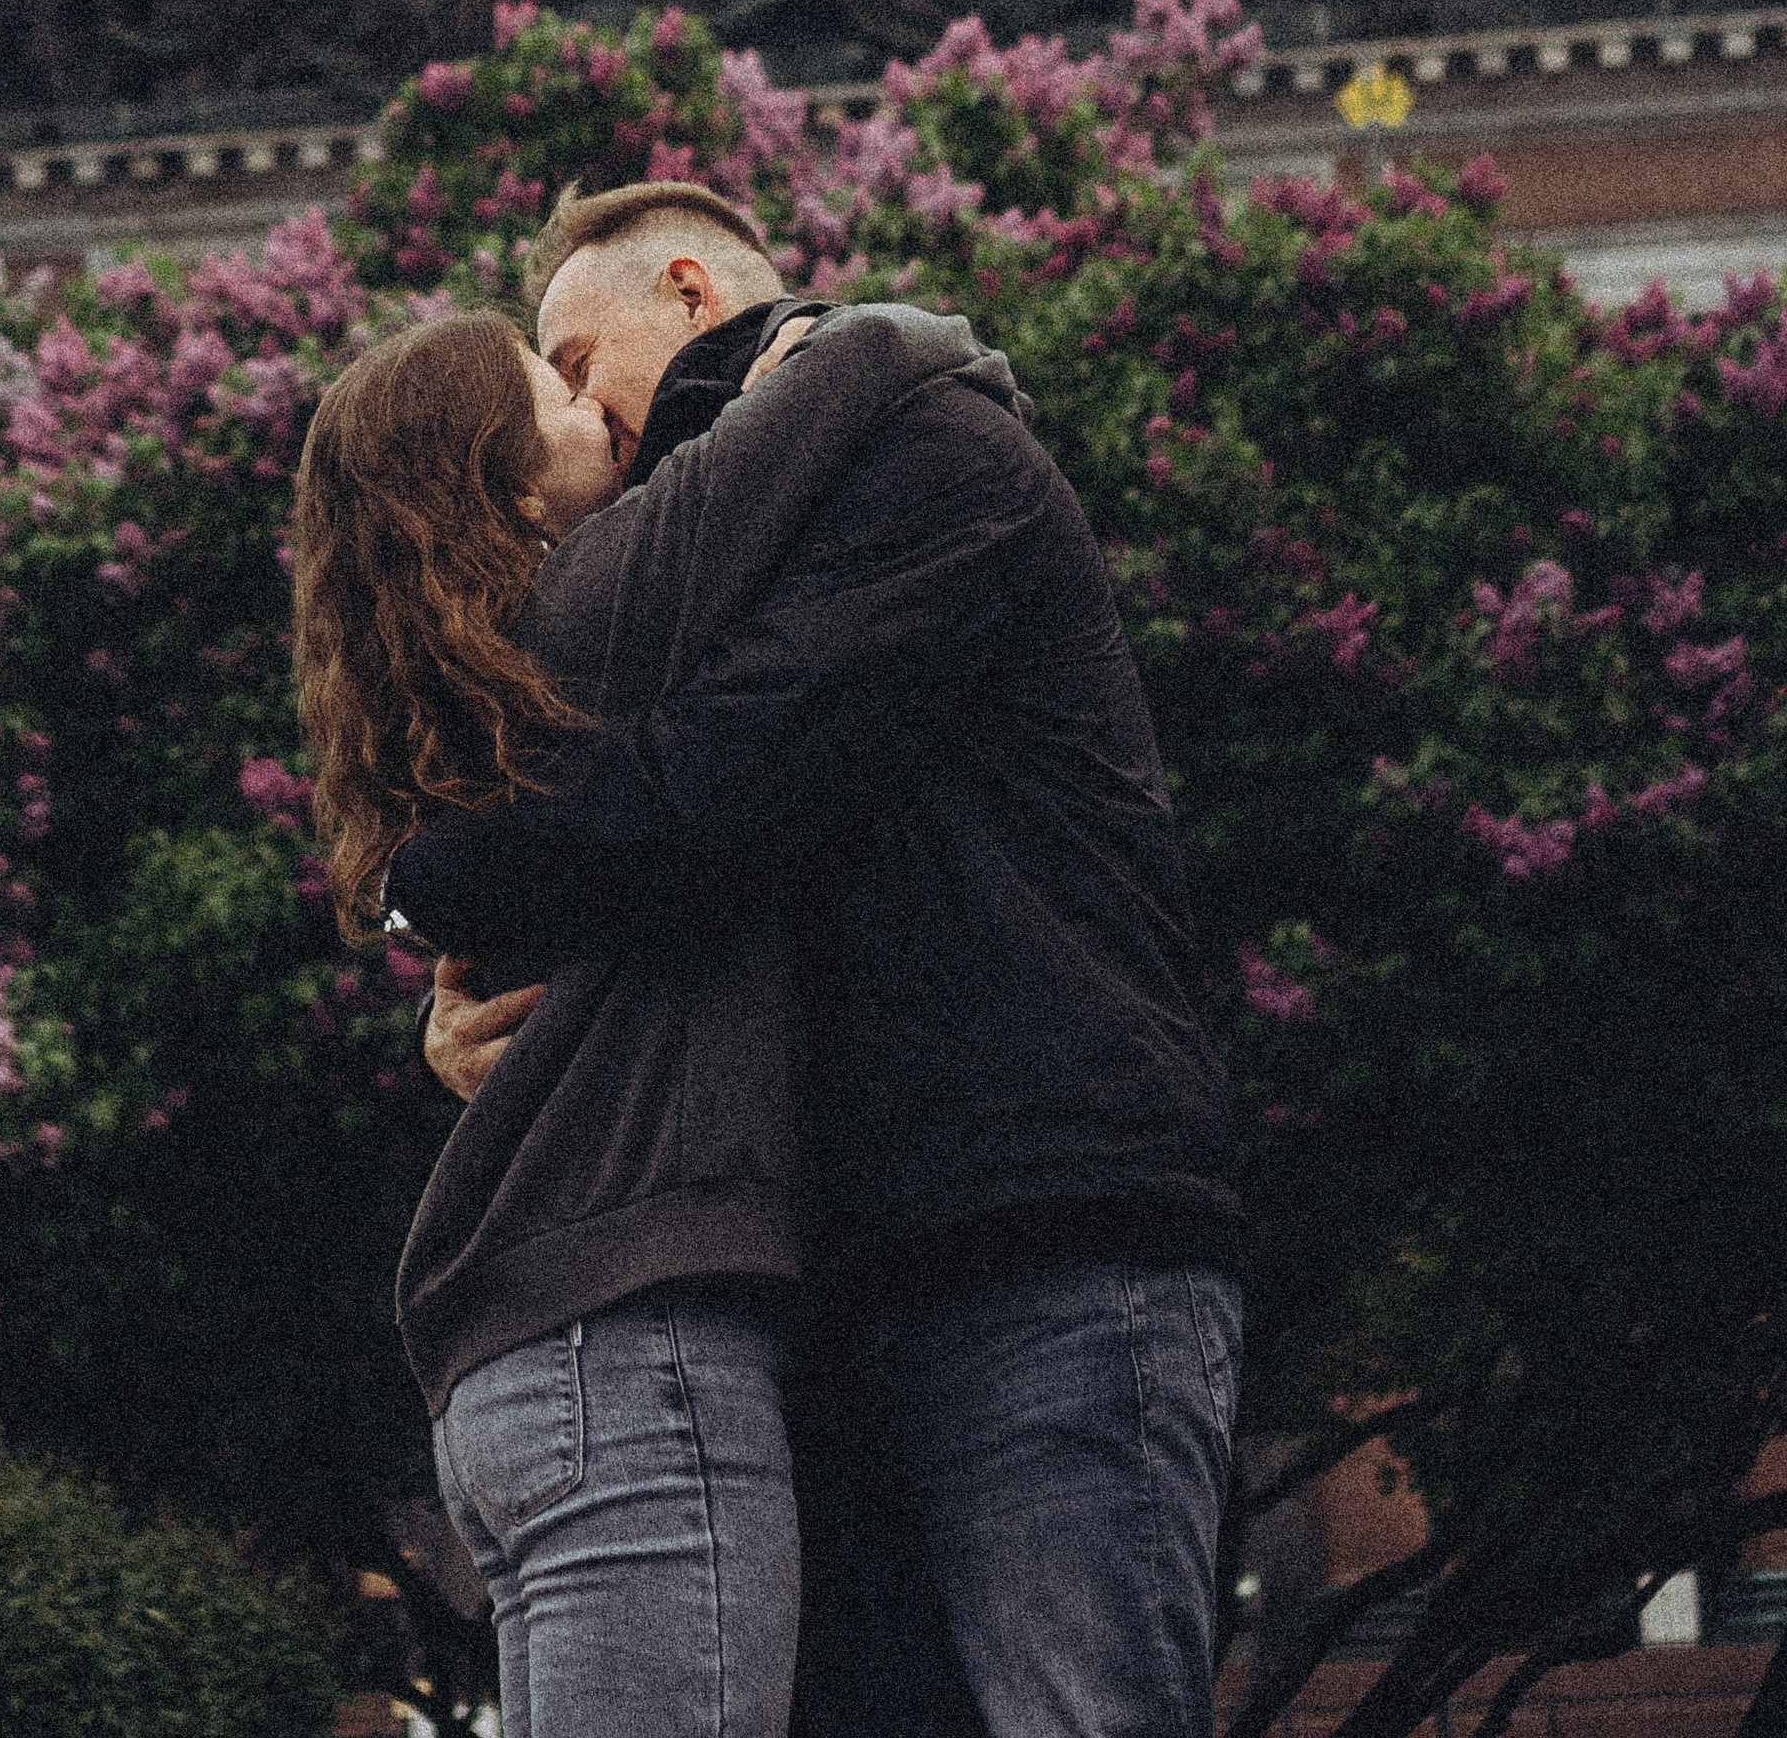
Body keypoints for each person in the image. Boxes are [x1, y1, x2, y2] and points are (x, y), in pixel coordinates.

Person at [388, 182, 1244, 1738]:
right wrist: (476, 988)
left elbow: (710, 792)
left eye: (582, 363)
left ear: (696, 293)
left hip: (1044, 1237)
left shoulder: (929, 447)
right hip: (860, 1266)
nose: (578, 420)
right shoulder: (757, 516)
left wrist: (429, 885)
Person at [294, 295, 1026, 1738]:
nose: (601, 415)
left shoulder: (480, 692)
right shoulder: (599, 605)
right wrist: (832, 335)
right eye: (553, 395)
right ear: (503, 483)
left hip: (527, 1369)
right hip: (623, 1354)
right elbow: (879, 363)